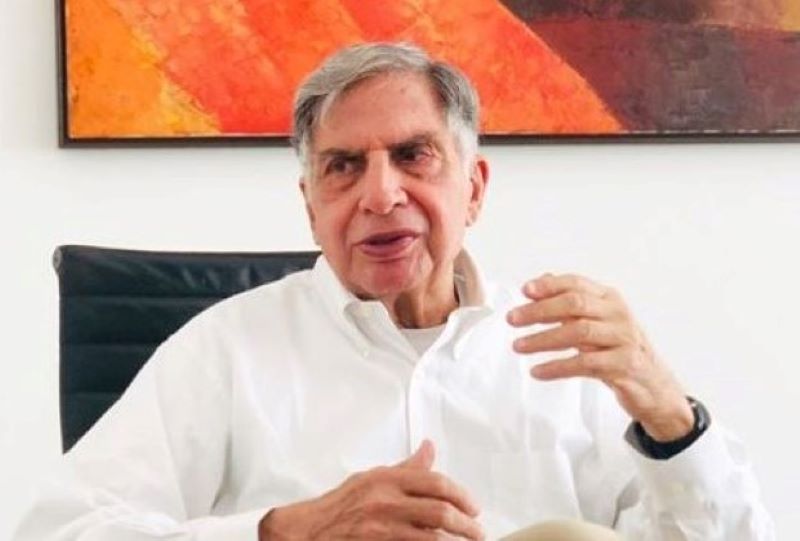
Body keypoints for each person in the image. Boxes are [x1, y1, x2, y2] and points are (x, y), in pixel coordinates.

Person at [15, 42, 773, 541]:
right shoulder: (225, 347)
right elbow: (58, 530)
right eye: (343, 167)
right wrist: (284, 529)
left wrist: (669, 416)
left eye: (414, 155)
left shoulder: (565, 352)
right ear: (311, 205)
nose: (380, 195)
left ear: (473, 188)